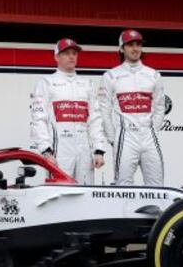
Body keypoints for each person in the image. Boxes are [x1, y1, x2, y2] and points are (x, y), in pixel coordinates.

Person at [92, 30, 166, 186]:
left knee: (157, 185)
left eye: (138, 44)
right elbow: (104, 110)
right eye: (130, 45)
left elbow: (160, 106)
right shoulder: (111, 76)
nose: (135, 48)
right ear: (121, 48)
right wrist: (114, 138)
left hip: (148, 135)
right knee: (123, 185)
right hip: (125, 137)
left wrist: (154, 130)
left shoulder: (153, 75)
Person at [29, 38, 102, 183]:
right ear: (56, 57)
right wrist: (46, 152)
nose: (71, 56)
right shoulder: (46, 83)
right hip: (59, 150)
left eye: (74, 53)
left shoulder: (87, 84)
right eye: (66, 53)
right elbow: (38, 120)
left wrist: (98, 150)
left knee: (86, 194)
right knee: (60, 193)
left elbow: (95, 119)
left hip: (84, 151)